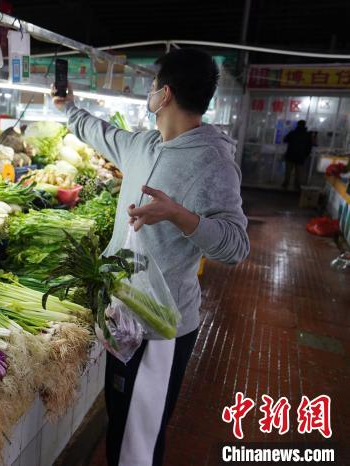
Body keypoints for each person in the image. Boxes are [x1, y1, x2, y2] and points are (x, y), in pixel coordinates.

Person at [52, 49, 249, 466]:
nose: (149, 93)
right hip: (122, 314)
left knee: (140, 438)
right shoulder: (143, 146)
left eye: (153, 86)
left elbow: (235, 246)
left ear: (166, 94)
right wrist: (67, 107)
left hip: (163, 326)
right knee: (120, 421)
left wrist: (180, 215)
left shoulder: (213, 162)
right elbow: (98, 131)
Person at [282, 120, 312, 191]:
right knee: (298, 172)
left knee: (288, 171)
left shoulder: (292, 133)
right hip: (300, 156)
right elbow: (309, 146)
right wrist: (306, 155)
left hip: (290, 155)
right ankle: (297, 186)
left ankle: (286, 184)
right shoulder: (307, 135)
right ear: (305, 125)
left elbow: (285, 140)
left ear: (297, 125)